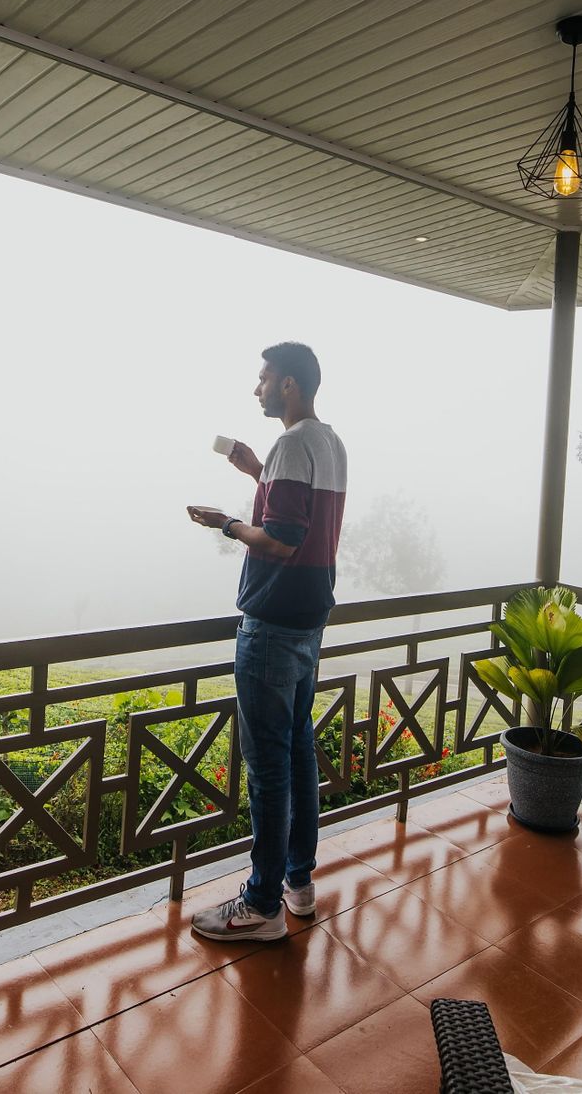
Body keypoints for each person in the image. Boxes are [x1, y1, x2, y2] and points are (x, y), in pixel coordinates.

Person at [184, 342, 347, 942]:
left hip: (273, 622)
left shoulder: (292, 443)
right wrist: (257, 472)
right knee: (299, 753)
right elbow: (302, 519)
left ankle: (261, 906)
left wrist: (223, 522)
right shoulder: (329, 444)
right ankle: (297, 886)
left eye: (263, 379)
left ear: (288, 385)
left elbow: (279, 540)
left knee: (269, 768)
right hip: (310, 617)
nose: (255, 388)